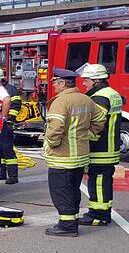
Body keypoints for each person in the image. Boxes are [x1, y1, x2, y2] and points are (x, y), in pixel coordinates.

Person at [44, 68, 107, 237]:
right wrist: (89, 134)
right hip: (80, 156)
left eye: (55, 83)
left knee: (60, 191)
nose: (54, 86)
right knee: (72, 190)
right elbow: (101, 119)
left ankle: (67, 225)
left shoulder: (61, 102)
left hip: (62, 157)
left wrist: (51, 143)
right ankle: (72, 221)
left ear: (63, 83)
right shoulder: (86, 100)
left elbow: (56, 127)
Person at [78, 63, 124, 226]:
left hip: (100, 148)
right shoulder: (112, 94)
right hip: (110, 146)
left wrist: (83, 141)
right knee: (103, 181)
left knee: (98, 182)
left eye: (87, 80)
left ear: (96, 80)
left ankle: (99, 215)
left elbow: (96, 123)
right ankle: (103, 212)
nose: (84, 84)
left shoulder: (100, 98)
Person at [0, 68, 23, 184]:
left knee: (8, 150)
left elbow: (16, 106)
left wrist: (9, 119)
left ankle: (13, 176)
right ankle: (2, 174)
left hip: (7, 125)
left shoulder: (11, 90)